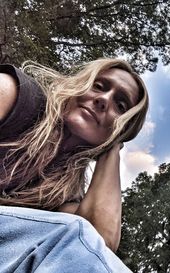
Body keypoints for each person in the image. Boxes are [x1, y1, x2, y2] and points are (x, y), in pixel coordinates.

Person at [0, 59, 149, 272]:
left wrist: (113, 147)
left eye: (120, 105)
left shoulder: (67, 192)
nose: (104, 100)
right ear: (79, 83)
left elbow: (97, 245)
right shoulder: (17, 95)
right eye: (98, 86)